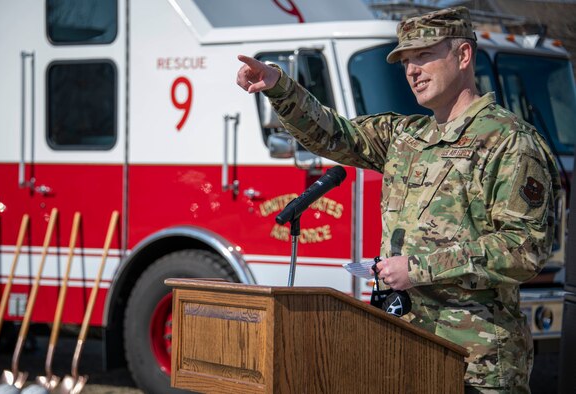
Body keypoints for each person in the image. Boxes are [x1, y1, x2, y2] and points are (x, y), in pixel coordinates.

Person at [236, 6, 560, 393]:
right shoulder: (405, 136)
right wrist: (278, 86)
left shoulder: (509, 141)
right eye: (406, 60)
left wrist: (419, 269)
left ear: (463, 55)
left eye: (424, 55)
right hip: (403, 348)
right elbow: (332, 133)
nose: (412, 70)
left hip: (475, 363)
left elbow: (524, 250)